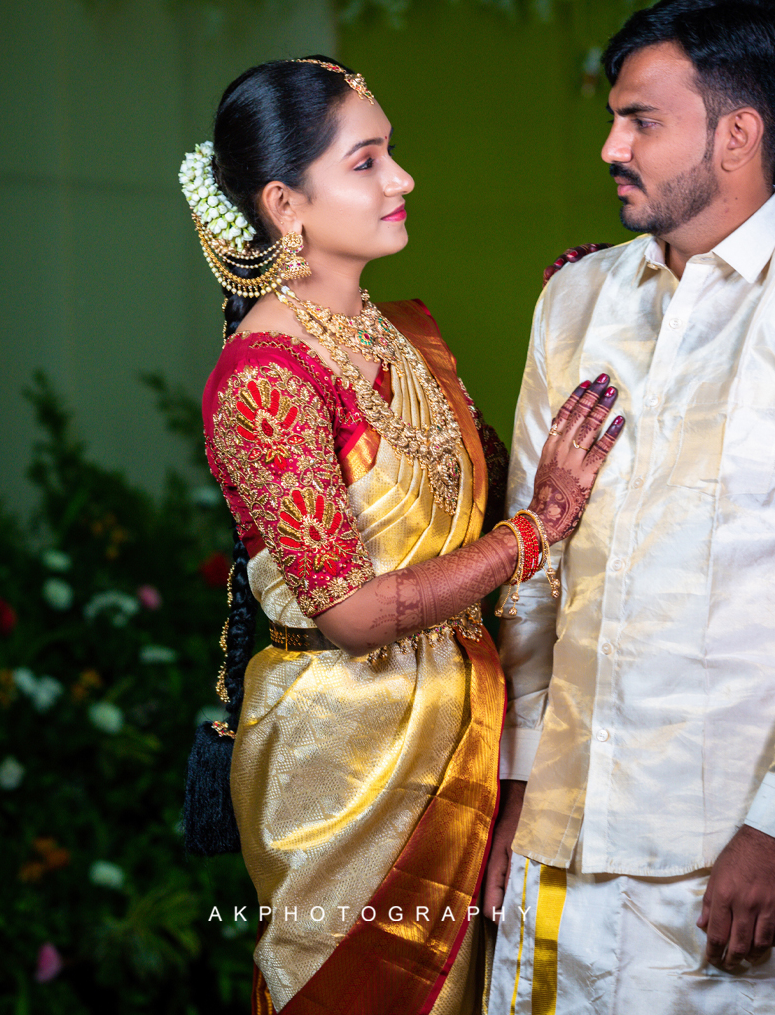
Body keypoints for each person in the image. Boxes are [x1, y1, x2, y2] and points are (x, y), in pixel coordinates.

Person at [483, 0, 775, 1015]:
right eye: (614, 119)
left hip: (744, 863)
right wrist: (517, 791)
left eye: (641, 121)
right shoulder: (575, 301)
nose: (611, 147)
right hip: (566, 845)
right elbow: (534, 570)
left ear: (737, 134)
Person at [179, 57, 624, 1015]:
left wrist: (588, 322)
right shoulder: (265, 378)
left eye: (392, 153)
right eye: (367, 161)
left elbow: (482, 497)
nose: (402, 177)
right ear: (285, 205)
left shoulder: (397, 334)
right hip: (342, 755)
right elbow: (350, 614)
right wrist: (537, 531)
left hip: (456, 725)